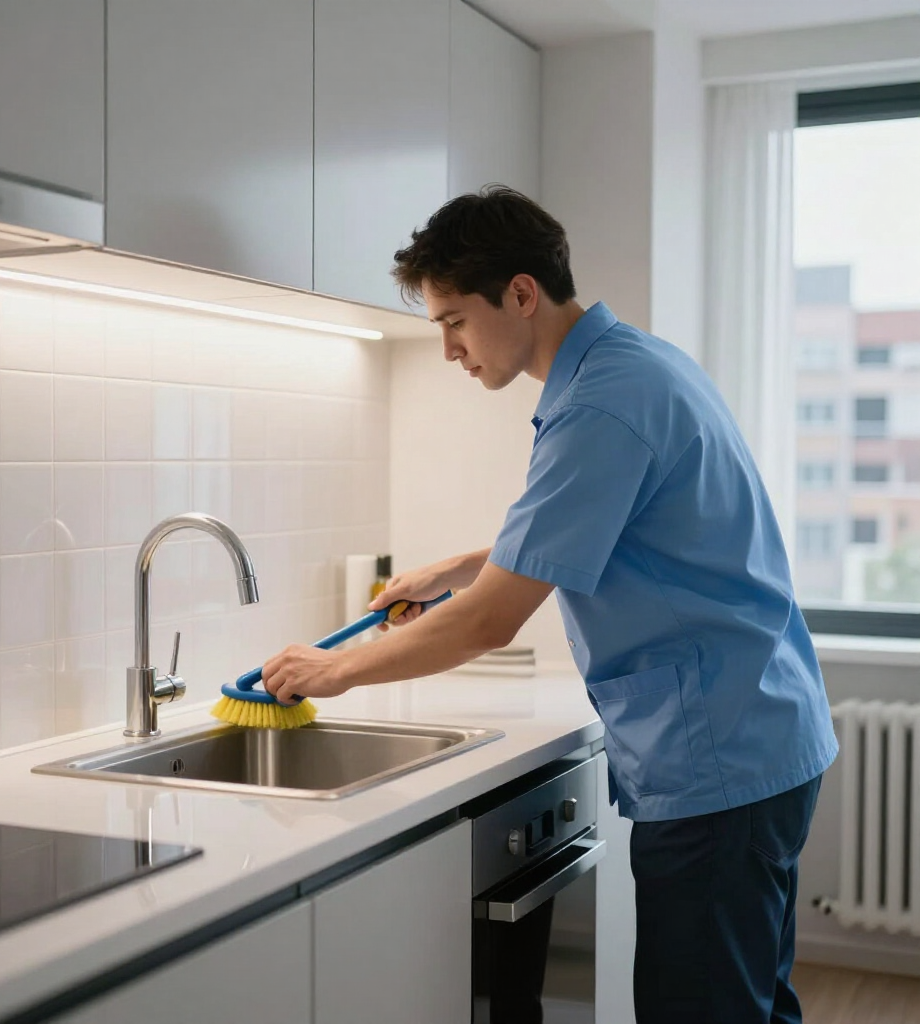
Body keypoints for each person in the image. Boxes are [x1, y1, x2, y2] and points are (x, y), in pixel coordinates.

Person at [262, 186, 839, 1024]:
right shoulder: (636, 365)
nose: (450, 349)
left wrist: (334, 669)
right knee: (751, 1003)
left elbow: (496, 619)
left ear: (522, 294)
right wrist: (456, 569)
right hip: (758, 733)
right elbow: (597, 532)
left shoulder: (601, 401)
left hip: (720, 759)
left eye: (455, 320)